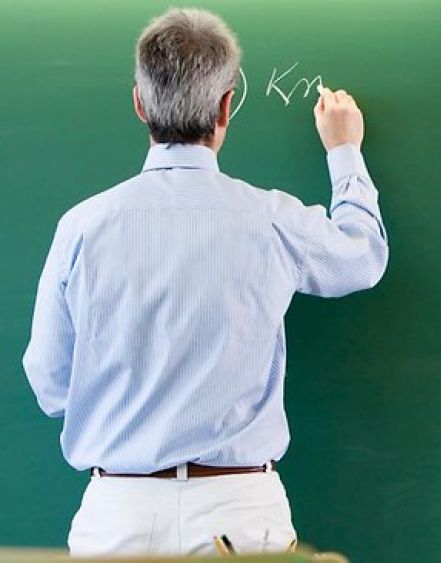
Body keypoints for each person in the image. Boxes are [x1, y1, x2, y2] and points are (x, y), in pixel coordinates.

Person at [21, 7, 388, 557]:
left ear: (139, 103)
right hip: (239, 514)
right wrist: (344, 152)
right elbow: (362, 257)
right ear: (225, 106)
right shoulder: (270, 218)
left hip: (118, 513)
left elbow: (50, 384)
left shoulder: (82, 228)